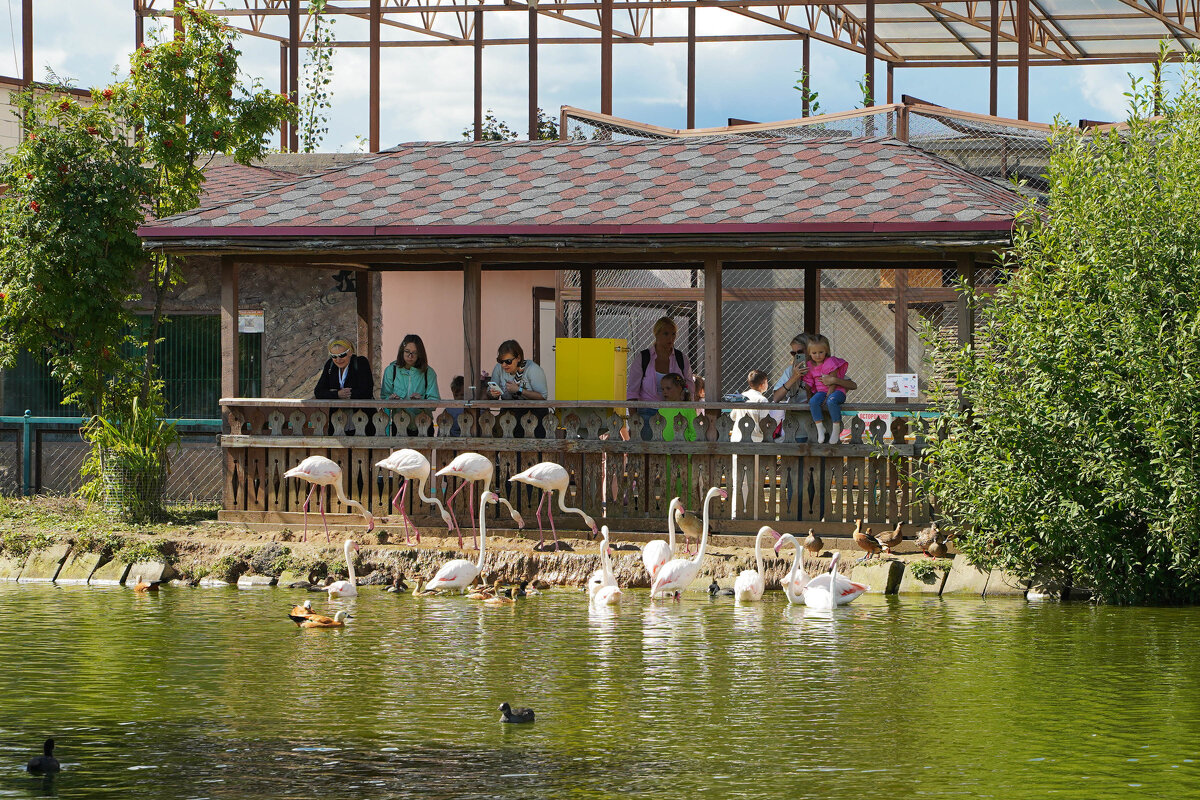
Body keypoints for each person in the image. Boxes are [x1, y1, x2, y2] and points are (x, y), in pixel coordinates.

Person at [627, 316, 693, 441]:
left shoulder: (681, 358)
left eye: (673, 334)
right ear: (656, 334)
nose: (671, 338)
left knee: (674, 451)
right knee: (647, 452)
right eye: (666, 334)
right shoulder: (643, 358)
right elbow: (632, 391)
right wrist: (634, 419)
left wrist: (687, 408)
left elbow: (690, 386)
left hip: (675, 411)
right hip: (648, 412)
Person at [487, 339, 548, 437]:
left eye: (508, 361)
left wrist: (519, 390)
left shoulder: (533, 369)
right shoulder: (498, 368)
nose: (504, 365)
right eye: (500, 361)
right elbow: (489, 394)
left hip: (533, 416)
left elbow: (542, 396)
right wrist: (493, 393)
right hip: (508, 416)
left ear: (518, 358)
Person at [802, 333, 856, 444]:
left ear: (826, 351)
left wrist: (827, 397)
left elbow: (833, 382)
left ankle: (836, 430)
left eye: (821, 352)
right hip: (821, 392)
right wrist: (809, 396)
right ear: (809, 353)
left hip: (836, 391)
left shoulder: (831, 362)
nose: (818, 355)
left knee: (832, 401)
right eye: (814, 353)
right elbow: (809, 383)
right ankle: (820, 428)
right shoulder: (810, 365)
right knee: (813, 402)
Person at [314, 337, 375, 435]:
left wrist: (347, 394)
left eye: (342, 355)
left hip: (362, 419)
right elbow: (318, 392)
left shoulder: (360, 363)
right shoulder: (330, 365)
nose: (338, 359)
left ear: (350, 352)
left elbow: (367, 390)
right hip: (337, 420)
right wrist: (337, 394)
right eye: (334, 356)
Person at [382, 334, 440, 434]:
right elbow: (384, 397)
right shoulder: (391, 371)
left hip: (423, 424)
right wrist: (391, 401)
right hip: (400, 423)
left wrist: (421, 402)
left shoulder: (428, 372)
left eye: (415, 353)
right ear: (402, 351)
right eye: (407, 352)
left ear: (420, 354)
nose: (410, 356)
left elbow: (435, 401)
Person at [730, 369, 771, 443]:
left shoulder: (742, 396)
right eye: (766, 382)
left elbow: (733, 416)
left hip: (737, 436)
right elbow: (763, 423)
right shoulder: (762, 400)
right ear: (762, 385)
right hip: (755, 438)